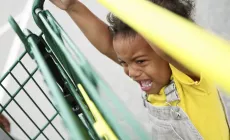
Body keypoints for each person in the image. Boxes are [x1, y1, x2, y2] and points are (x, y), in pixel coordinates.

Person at [50, 0, 230, 139]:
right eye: (124, 63)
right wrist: (73, 6)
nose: (131, 72)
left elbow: (166, 47)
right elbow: (108, 44)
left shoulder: (191, 80)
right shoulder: (155, 78)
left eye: (141, 61)